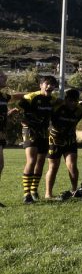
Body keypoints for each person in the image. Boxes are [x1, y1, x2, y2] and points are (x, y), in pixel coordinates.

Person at [18, 75, 58, 203]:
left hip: (44, 132)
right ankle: (26, 194)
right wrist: (22, 121)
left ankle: (34, 191)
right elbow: (18, 107)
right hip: (30, 131)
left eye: (52, 85)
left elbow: (61, 104)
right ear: (41, 85)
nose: (49, 86)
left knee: (40, 161)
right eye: (46, 84)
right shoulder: (31, 97)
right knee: (32, 160)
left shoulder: (53, 100)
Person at [44, 88, 82, 199]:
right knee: (53, 167)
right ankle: (48, 193)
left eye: (75, 101)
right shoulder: (57, 107)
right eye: (70, 100)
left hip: (70, 141)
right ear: (66, 99)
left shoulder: (80, 110)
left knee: (72, 165)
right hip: (55, 140)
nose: (73, 103)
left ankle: (74, 190)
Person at [0, 71, 21, 207]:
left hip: (1, 135)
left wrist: (9, 113)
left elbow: (13, 97)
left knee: (0, 166)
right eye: (1, 76)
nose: (5, 77)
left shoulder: (2, 96)